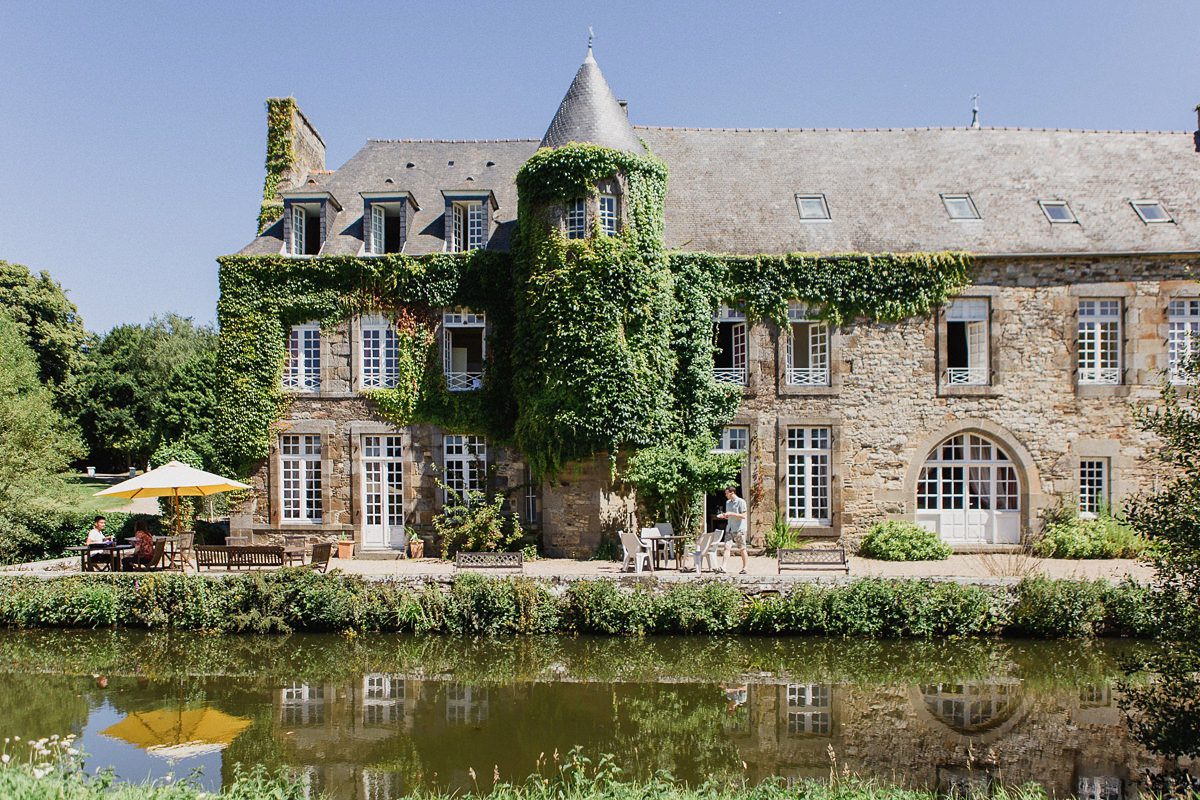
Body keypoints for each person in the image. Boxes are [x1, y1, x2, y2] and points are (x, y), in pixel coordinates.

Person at [716, 486, 748, 574]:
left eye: (727, 493)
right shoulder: (728, 503)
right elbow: (729, 517)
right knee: (726, 547)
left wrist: (731, 513)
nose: (726, 495)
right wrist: (725, 516)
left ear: (732, 493)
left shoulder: (741, 502)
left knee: (742, 549)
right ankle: (723, 567)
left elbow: (743, 516)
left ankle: (745, 567)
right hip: (729, 528)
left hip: (739, 529)